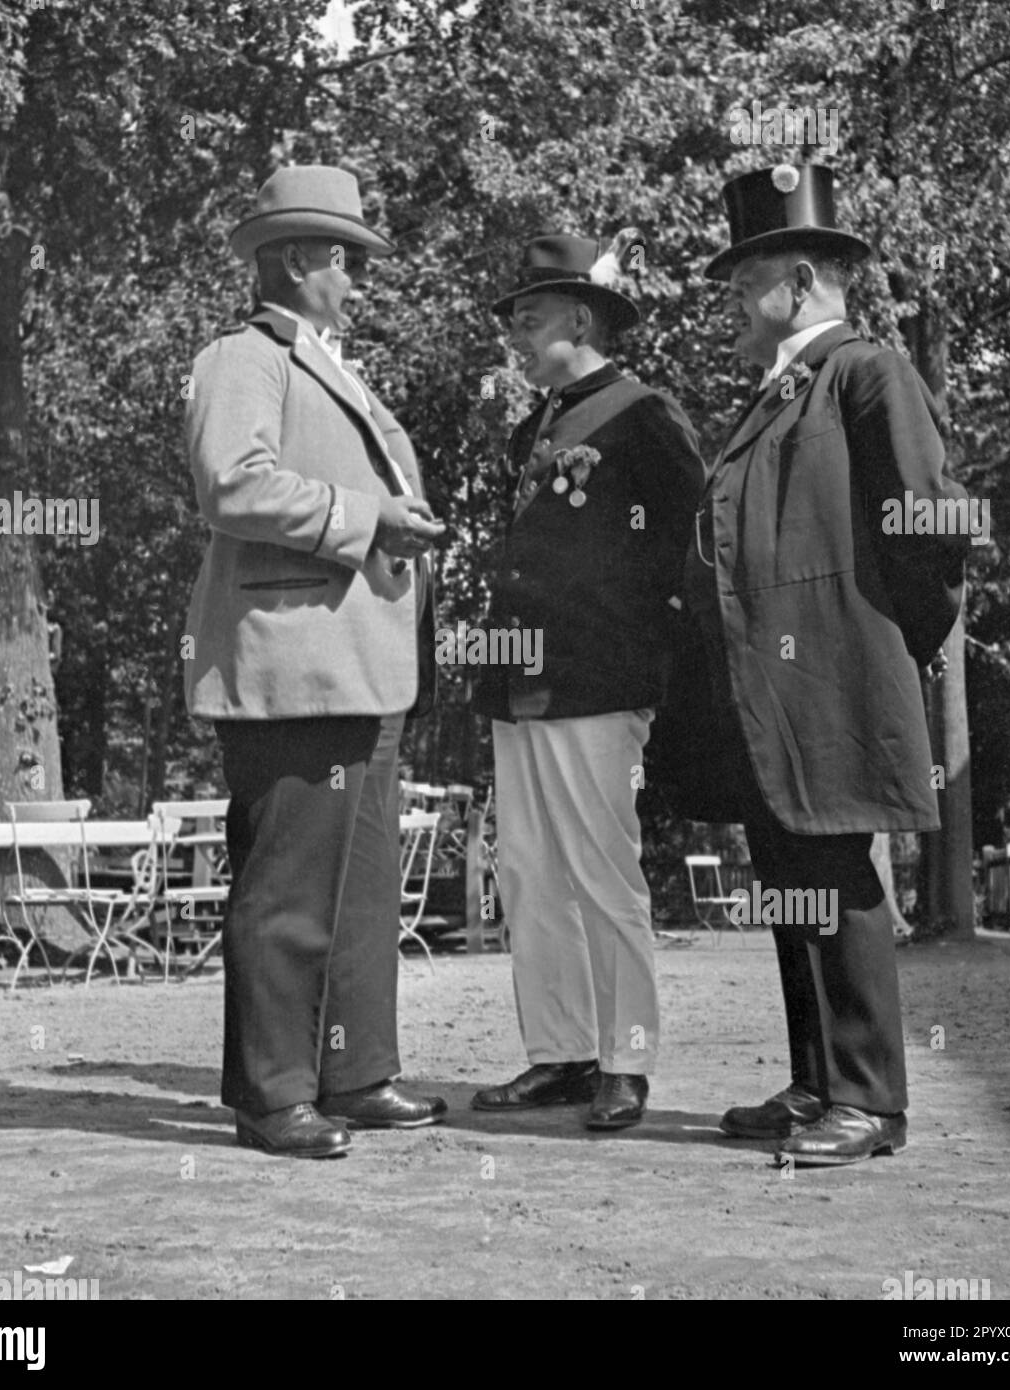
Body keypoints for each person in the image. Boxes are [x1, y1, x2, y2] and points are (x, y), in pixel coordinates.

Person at [677, 163, 970, 1165]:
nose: (726, 302)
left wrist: (889, 646)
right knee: (790, 876)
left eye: (739, 281)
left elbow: (928, 527)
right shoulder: (782, 388)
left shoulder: (863, 370)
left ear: (796, 281)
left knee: (835, 872)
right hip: (770, 687)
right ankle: (815, 1083)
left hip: (832, 674)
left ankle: (869, 1100)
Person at [183, 165, 447, 1159]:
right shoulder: (240, 358)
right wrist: (368, 517)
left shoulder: (324, 363)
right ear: (298, 261)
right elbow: (232, 487)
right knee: (289, 889)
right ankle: (271, 1093)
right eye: (349, 261)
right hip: (291, 663)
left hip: (361, 663)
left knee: (362, 887)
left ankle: (355, 1070)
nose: (360, 282)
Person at [470, 232, 705, 1130]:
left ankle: (626, 1058)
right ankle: (561, 1052)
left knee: (603, 872)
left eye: (528, 320)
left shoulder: (644, 414)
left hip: (598, 680)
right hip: (519, 681)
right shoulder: (538, 421)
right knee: (528, 870)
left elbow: (690, 547)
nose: (517, 338)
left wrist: (647, 661)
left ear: (580, 316)